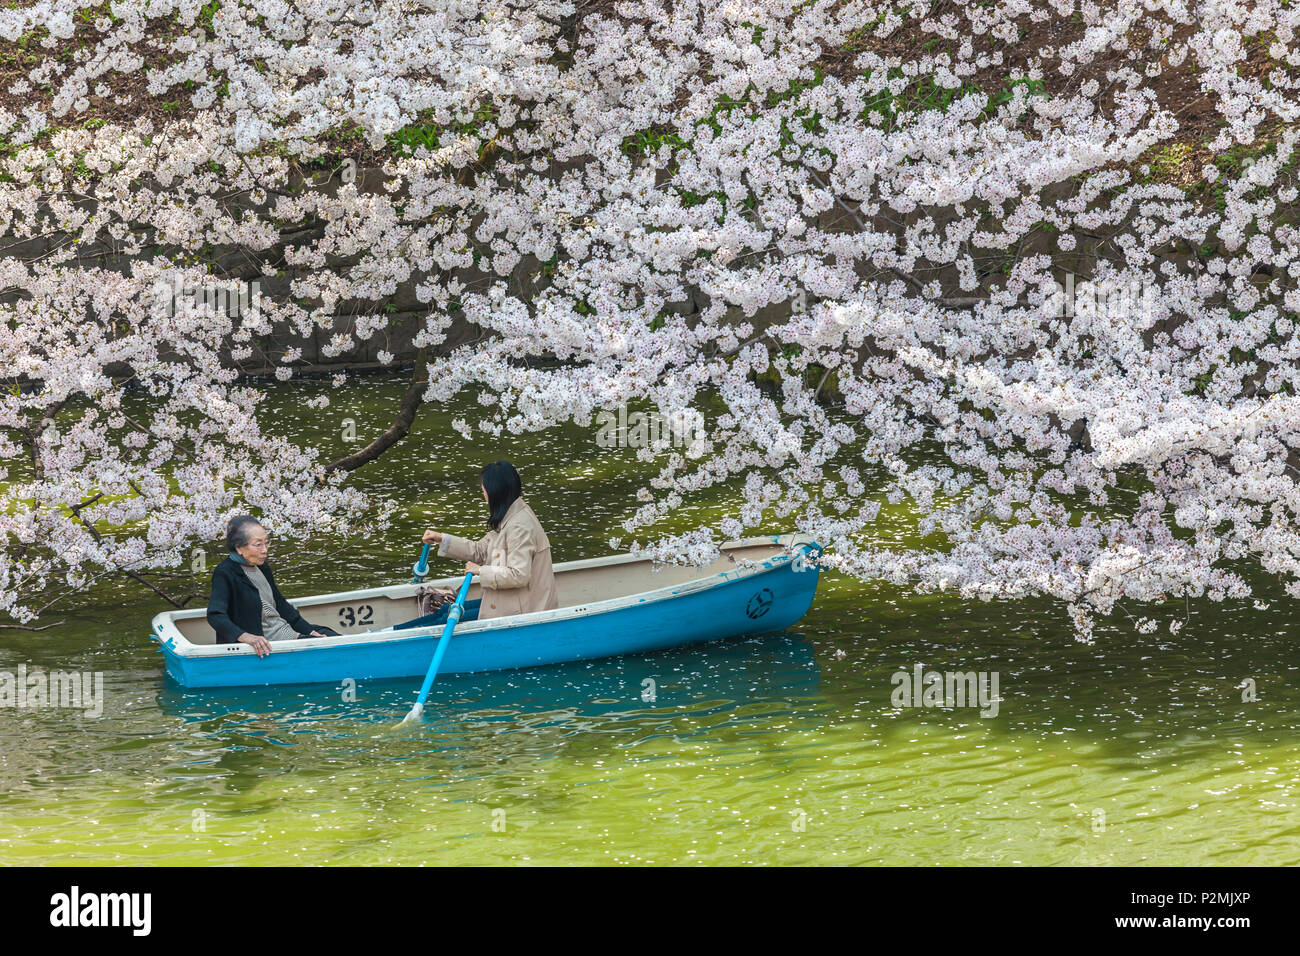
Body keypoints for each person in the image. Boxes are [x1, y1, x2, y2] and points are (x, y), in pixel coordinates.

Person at [421, 460, 559, 621]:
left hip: (524, 610)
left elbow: (519, 575)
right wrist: (441, 538)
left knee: (443, 619)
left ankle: (394, 637)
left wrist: (480, 571)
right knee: (445, 611)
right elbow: (480, 550)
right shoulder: (511, 515)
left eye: (484, 489)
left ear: (495, 491)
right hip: (511, 601)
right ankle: (390, 632)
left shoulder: (519, 526)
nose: (483, 493)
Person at [207, 515, 341, 657]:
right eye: (258, 544)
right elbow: (215, 615)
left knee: (335, 637)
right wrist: (246, 637)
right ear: (239, 547)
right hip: (267, 642)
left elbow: (281, 605)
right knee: (331, 647)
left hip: (285, 629)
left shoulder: (262, 567)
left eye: (266, 543)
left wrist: (309, 631)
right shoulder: (225, 572)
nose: (265, 550)